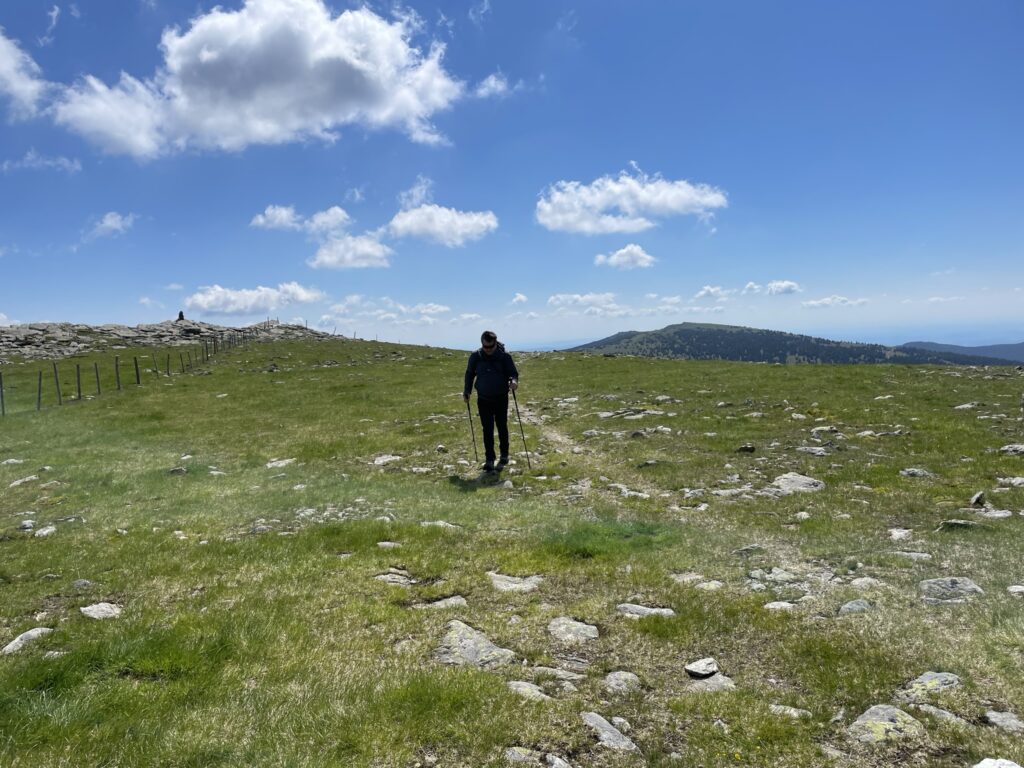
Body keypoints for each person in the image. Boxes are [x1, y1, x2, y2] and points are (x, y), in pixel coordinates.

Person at [464, 330, 519, 471]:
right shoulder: (476, 356)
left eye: (490, 347)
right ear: (482, 344)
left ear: (495, 343)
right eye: (485, 347)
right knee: (487, 429)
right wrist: (467, 391)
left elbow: (513, 373)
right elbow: (470, 374)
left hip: (501, 397)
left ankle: (504, 455)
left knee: (502, 426)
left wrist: (513, 381)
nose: (488, 350)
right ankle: (489, 459)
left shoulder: (504, 357)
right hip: (483, 398)